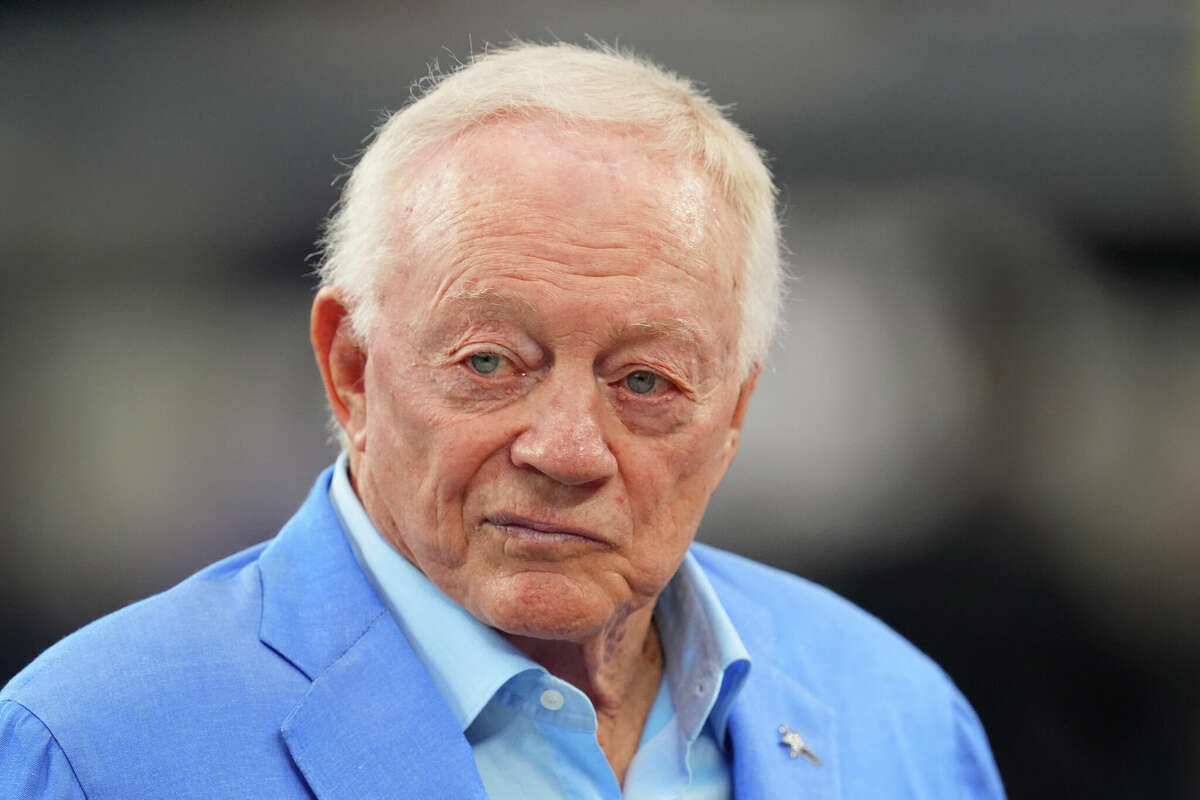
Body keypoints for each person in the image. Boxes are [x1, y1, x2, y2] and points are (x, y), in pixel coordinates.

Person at [0, 42, 1004, 799]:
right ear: (351, 370)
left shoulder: (900, 719)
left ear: (734, 409)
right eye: (490, 363)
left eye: (646, 382)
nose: (567, 449)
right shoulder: (93, 746)